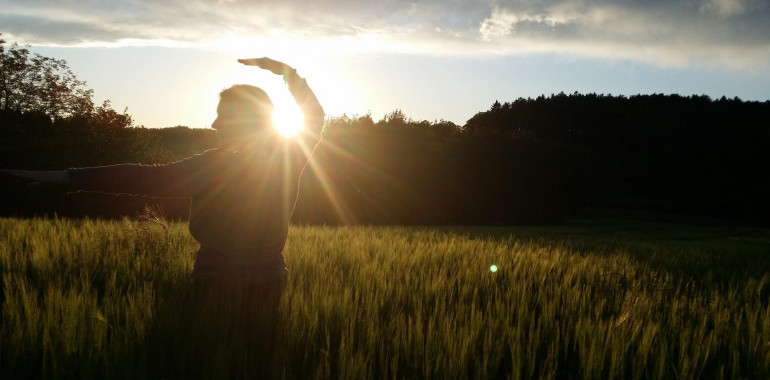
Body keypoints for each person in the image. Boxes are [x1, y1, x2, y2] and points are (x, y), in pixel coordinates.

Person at [1, 57, 324, 357]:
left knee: (209, 355)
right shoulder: (288, 156)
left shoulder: (217, 165)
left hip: (217, 274)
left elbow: (141, 178)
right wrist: (288, 74)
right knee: (258, 356)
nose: (214, 124)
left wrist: (67, 178)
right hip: (268, 274)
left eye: (223, 116)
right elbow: (313, 117)